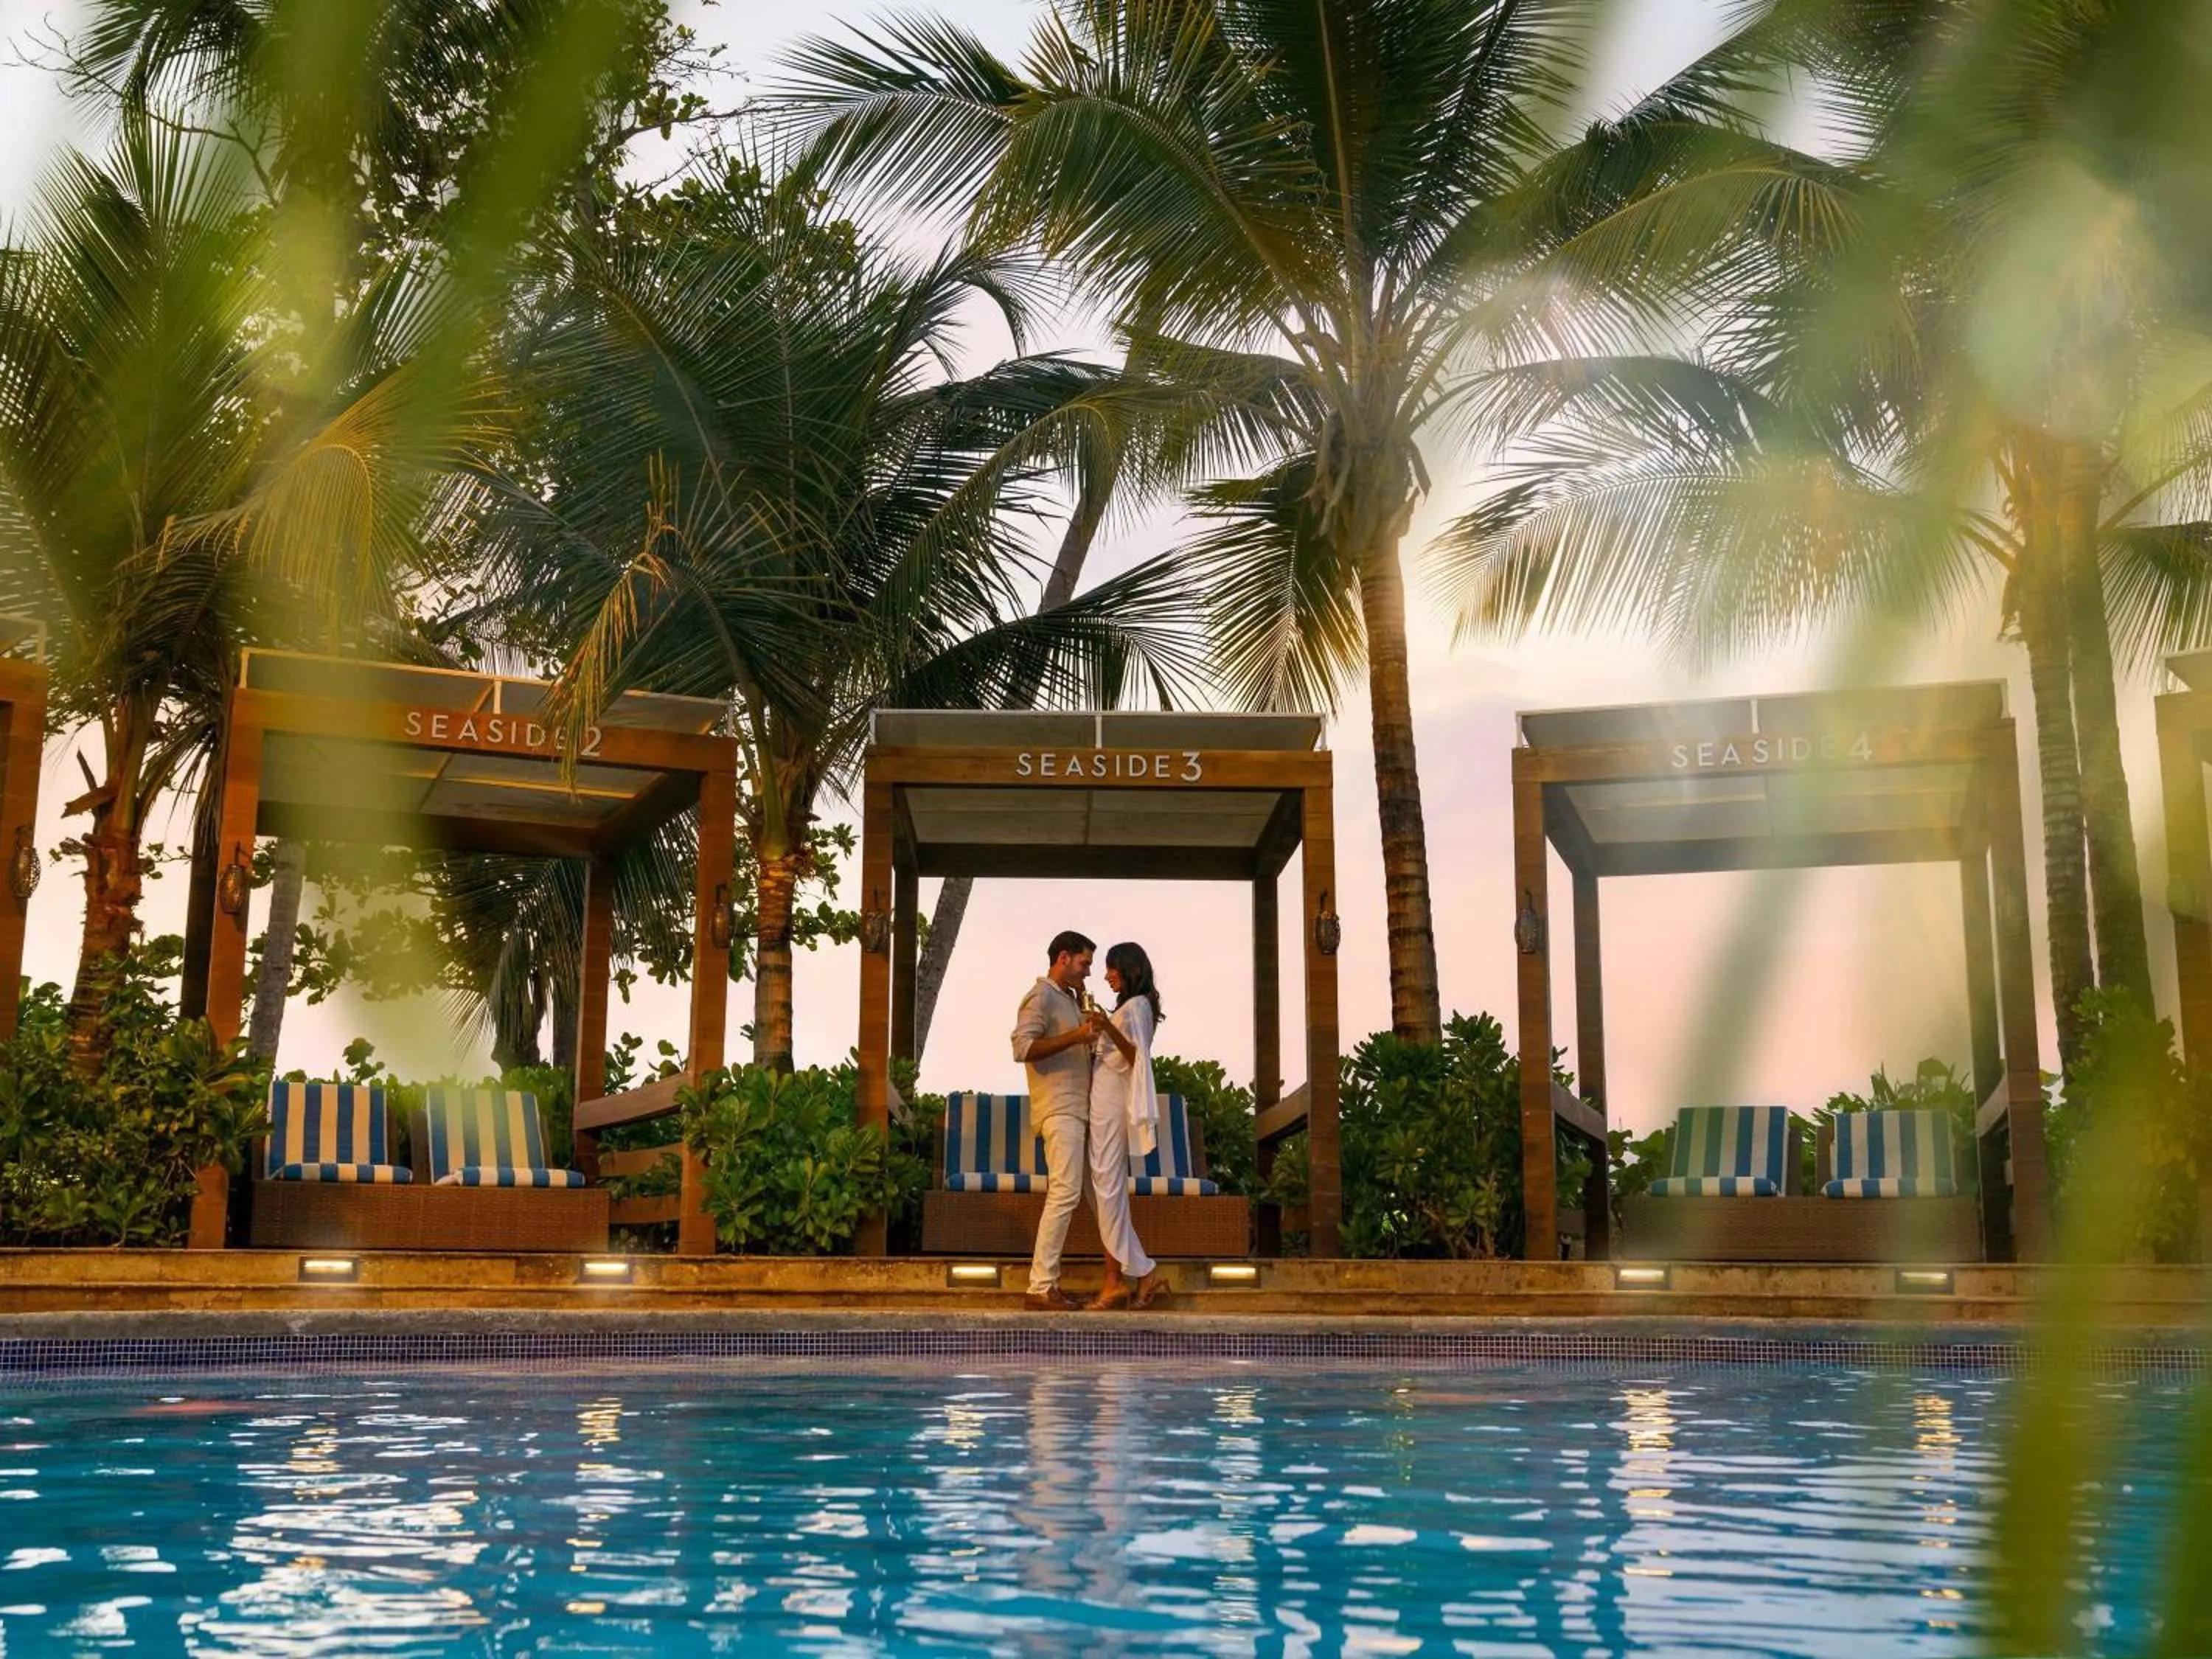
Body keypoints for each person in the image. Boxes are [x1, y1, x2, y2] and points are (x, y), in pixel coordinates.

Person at [1010, 929, 1101, 1311]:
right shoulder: (1041, 996)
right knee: (1064, 1192)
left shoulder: (1067, 1000)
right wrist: (1077, 1036)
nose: (1088, 973)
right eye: (1084, 964)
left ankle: (1124, 1279)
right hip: (1059, 1109)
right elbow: (1023, 1047)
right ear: (1063, 958)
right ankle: (1040, 1287)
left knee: (1100, 1195)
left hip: (1079, 1111)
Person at [1085, 941, 1170, 1311]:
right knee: (1103, 1188)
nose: (1106, 975)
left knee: (1108, 1189)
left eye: (1111, 968)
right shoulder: (1129, 1007)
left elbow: (1138, 1058)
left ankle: (1131, 1275)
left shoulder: (1137, 1007)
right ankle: (1132, 1274)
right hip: (1103, 1102)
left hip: (1112, 1104)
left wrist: (1107, 1026)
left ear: (1128, 967)